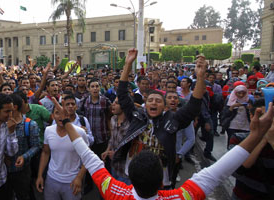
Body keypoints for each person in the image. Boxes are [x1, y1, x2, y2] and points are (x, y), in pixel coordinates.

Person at [58, 96, 274, 200]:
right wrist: (257, 136)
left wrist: (67, 123)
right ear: (163, 182)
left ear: (129, 177)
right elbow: (219, 171)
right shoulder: (180, 197)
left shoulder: (114, 192)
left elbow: (88, 157)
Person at [114, 48, 205, 190]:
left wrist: (200, 77)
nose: (154, 103)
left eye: (158, 101)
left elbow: (193, 107)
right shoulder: (137, 116)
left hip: (161, 179)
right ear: (146, 104)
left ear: (165, 106)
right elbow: (122, 94)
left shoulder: (172, 119)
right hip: (134, 174)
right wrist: (127, 64)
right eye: (150, 100)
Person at [36, 101, 89, 200]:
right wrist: (40, 175)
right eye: (57, 113)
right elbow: (46, 152)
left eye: (64, 113)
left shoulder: (80, 133)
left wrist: (79, 178)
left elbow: (87, 158)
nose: (61, 116)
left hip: (72, 181)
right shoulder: (48, 131)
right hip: (51, 180)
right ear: (52, 116)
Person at [5, 93, 41, 200]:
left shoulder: (29, 124)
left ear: (14, 107)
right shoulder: (1, 124)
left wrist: (24, 157)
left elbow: (36, 146)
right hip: (3, 171)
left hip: (22, 171)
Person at [101, 97, 131, 184]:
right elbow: (112, 138)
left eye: (117, 103)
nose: (113, 104)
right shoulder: (113, 119)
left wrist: (117, 154)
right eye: (113, 102)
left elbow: (133, 148)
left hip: (125, 171)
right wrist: (107, 150)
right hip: (114, 166)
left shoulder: (131, 124)